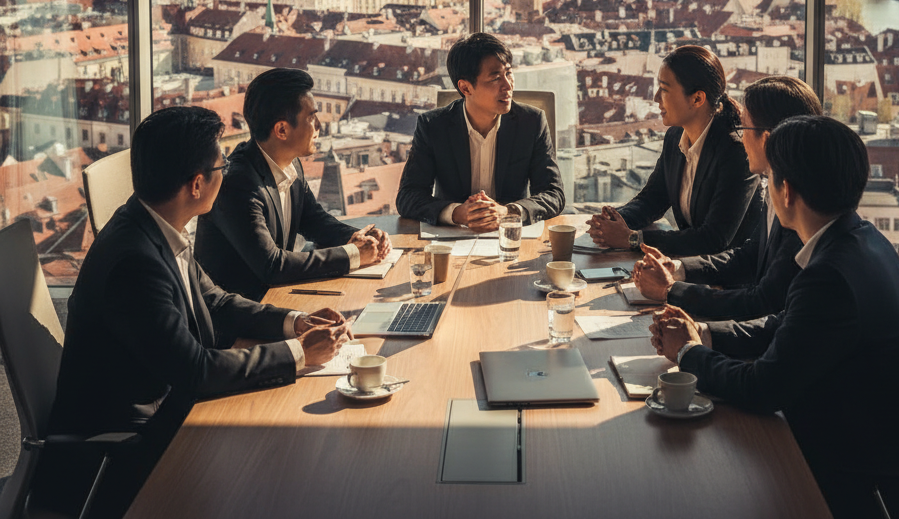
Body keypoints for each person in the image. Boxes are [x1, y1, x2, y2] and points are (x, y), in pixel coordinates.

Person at [40, 106, 349, 519]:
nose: (228, 171)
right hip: (129, 442)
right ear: (198, 184)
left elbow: (215, 300)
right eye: (222, 164)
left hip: (166, 408)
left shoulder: (152, 222)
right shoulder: (136, 262)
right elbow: (196, 371)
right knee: (289, 471)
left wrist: (294, 322)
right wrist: (298, 354)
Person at [648, 115, 899, 519]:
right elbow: (787, 328)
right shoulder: (862, 240)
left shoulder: (828, 276)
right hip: (868, 439)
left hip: (868, 480)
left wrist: (688, 354)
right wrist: (703, 334)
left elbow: (762, 389)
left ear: (786, 191)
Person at [631, 75, 820, 320]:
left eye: (743, 129)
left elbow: (763, 302)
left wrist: (671, 291)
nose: (740, 140)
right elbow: (749, 256)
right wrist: (678, 269)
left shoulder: (803, 208)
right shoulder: (780, 188)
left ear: (767, 139)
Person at [195, 68, 390, 301]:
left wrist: (359, 237)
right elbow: (272, 265)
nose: (319, 125)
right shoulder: (238, 183)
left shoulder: (291, 163)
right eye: (311, 117)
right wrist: (353, 255)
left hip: (278, 299)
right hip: (240, 318)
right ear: (282, 130)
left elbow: (314, 220)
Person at [587, 44, 758, 256]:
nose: (656, 97)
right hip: (692, 267)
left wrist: (633, 239)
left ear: (697, 99)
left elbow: (713, 239)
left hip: (728, 279)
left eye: (665, 89)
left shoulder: (736, 152)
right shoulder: (676, 136)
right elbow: (653, 199)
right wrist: (613, 221)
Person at [396, 33, 564, 230]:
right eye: (495, 78)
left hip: (511, 238)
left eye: (508, 73)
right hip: (453, 239)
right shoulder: (433, 126)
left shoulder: (532, 122)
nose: (508, 86)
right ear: (466, 88)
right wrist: (457, 213)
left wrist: (507, 212)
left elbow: (554, 194)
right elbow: (408, 196)